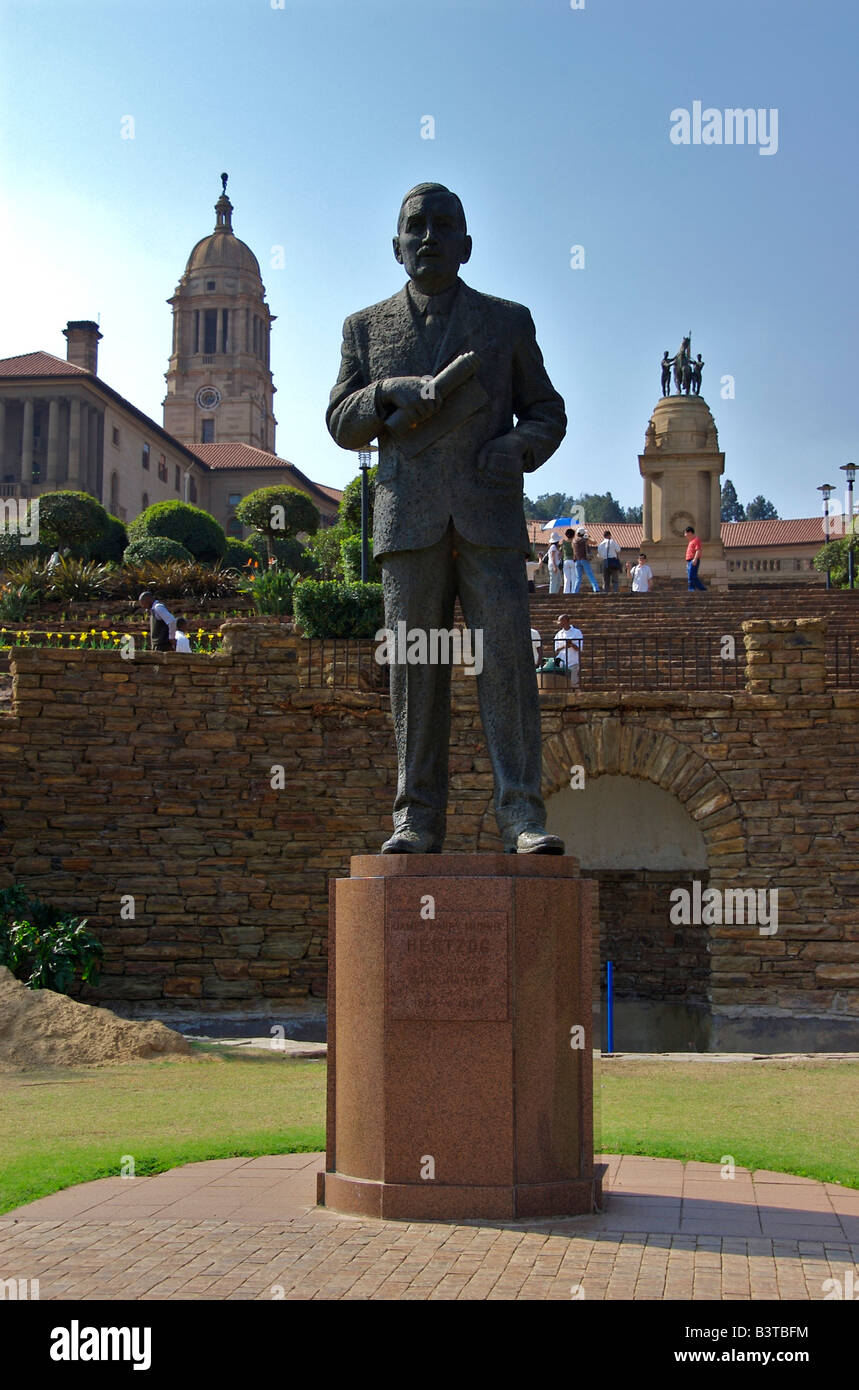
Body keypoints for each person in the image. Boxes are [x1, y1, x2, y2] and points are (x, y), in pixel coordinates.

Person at [326, 182, 567, 855]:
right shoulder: (364, 328)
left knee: (508, 667)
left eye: (443, 225)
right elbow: (340, 421)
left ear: (466, 245)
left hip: (488, 518)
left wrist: (517, 445)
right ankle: (416, 816)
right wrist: (385, 392)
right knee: (413, 670)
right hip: (408, 523)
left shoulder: (505, 322)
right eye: (415, 226)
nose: (428, 236)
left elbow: (546, 411)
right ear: (396, 246)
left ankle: (521, 812)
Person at [554, 613, 583, 687]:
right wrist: (565, 646)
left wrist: (571, 644)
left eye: (560, 621)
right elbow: (556, 649)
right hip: (562, 663)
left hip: (573, 662)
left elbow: (579, 648)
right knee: (563, 684)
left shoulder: (577, 632)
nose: (558, 623)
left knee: (573, 683)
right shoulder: (559, 634)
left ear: (566, 621)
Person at [572, 527, 600, 594]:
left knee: (578, 578)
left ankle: (575, 591)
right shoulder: (585, 540)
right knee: (590, 574)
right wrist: (589, 537)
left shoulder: (574, 541)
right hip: (584, 559)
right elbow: (595, 542)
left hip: (577, 560)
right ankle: (596, 588)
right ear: (583, 533)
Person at [684, 525, 706, 591]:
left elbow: (698, 550)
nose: (685, 535)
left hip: (693, 560)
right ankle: (702, 589)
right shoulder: (691, 541)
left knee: (691, 576)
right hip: (689, 561)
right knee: (692, 576)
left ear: (690, 533)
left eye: (686, 533)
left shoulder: (696, 540)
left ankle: (691, 589)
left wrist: (695, 559)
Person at [561, 528, 577, 593]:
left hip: (565, 560)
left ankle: (566, 591)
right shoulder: (573, 542)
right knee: (574, 577)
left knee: (566, 578)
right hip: (572, 561)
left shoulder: (563, 542)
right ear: (573, 535)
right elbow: (575, 552)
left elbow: (561, 551)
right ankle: (573, 591)